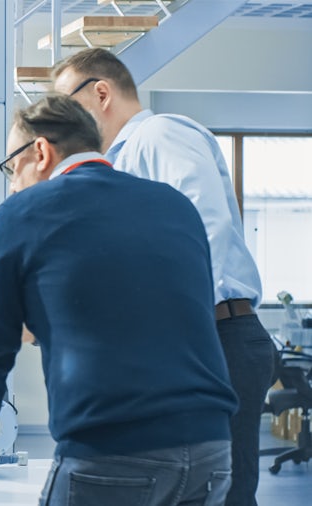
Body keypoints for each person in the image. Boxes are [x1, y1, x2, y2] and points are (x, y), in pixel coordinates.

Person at [0, 95, 239, 506]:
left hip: (113, 450)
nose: (13, 184)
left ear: (41, 151)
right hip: (210, 450)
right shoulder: (174, 204)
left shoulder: (23, 211)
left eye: (11, 167)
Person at [52, 48, 277, 506]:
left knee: (221, 494)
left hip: (213, 336)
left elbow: (205, 230)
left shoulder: (159, 134)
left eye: (66, 106)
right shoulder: (116, 163)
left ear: (101, 93)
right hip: (184, 341)